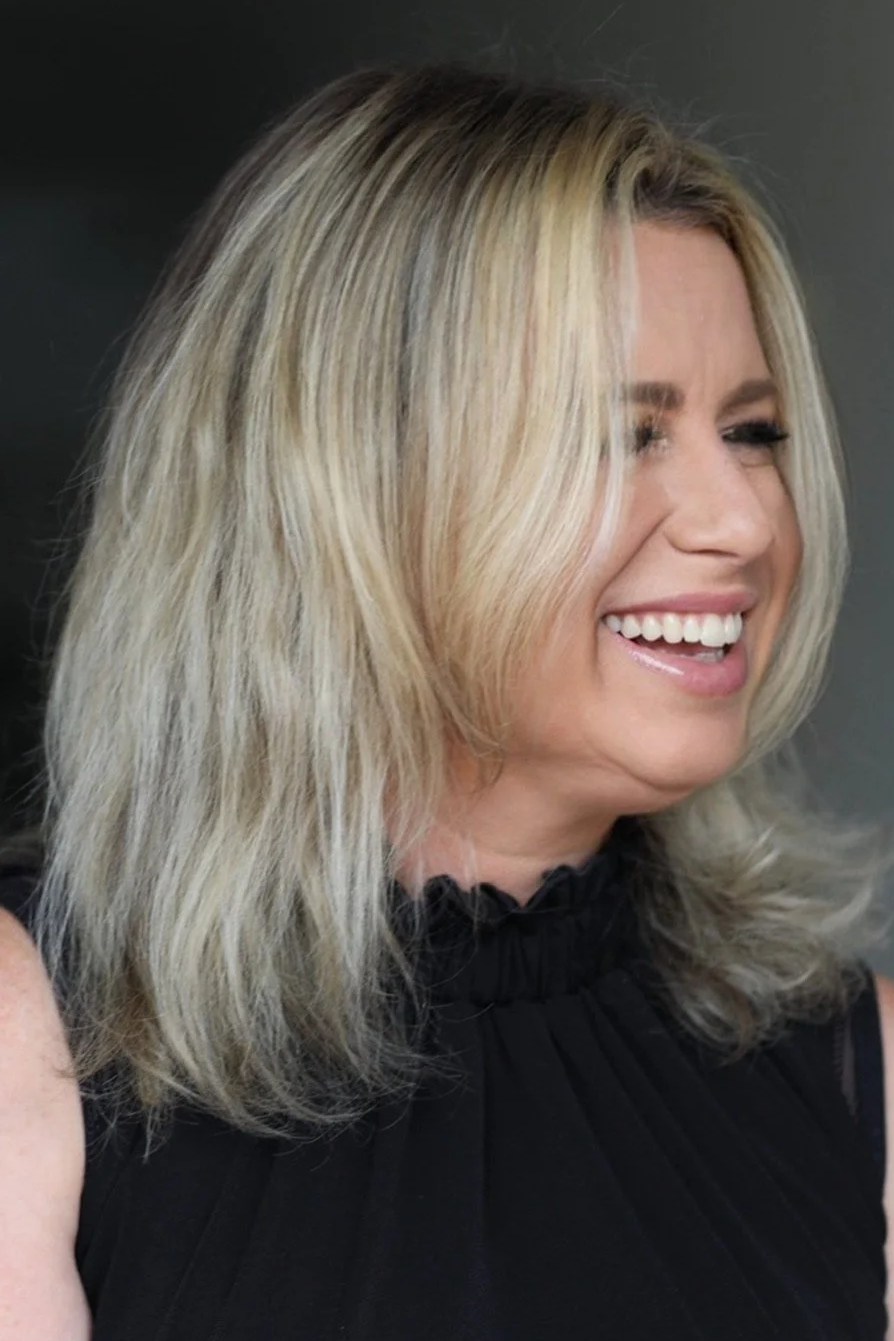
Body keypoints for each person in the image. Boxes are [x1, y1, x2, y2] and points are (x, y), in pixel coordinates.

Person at [0, 62, 892, 1340]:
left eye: (752, 432)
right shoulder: (29, 1045)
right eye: (621, 434)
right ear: (353, 493)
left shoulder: (866, 1082)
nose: (745, 519)